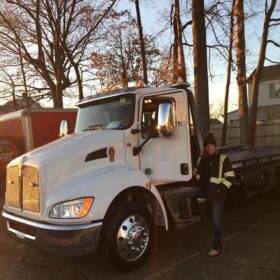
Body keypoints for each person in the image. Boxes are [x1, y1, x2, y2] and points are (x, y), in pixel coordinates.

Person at [194, 131, 235, 257]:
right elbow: (197, 173)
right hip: (207, 193)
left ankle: (217, 247)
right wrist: (200, 184)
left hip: (218, 195)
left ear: (215, 146)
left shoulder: (223, 159)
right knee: (212, 219)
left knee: (217, 220)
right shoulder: (202, 159)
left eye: (212, 145)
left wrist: (220, 191)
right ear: (205, 147)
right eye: (207, 145)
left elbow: (230, 178)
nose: (210, 147)